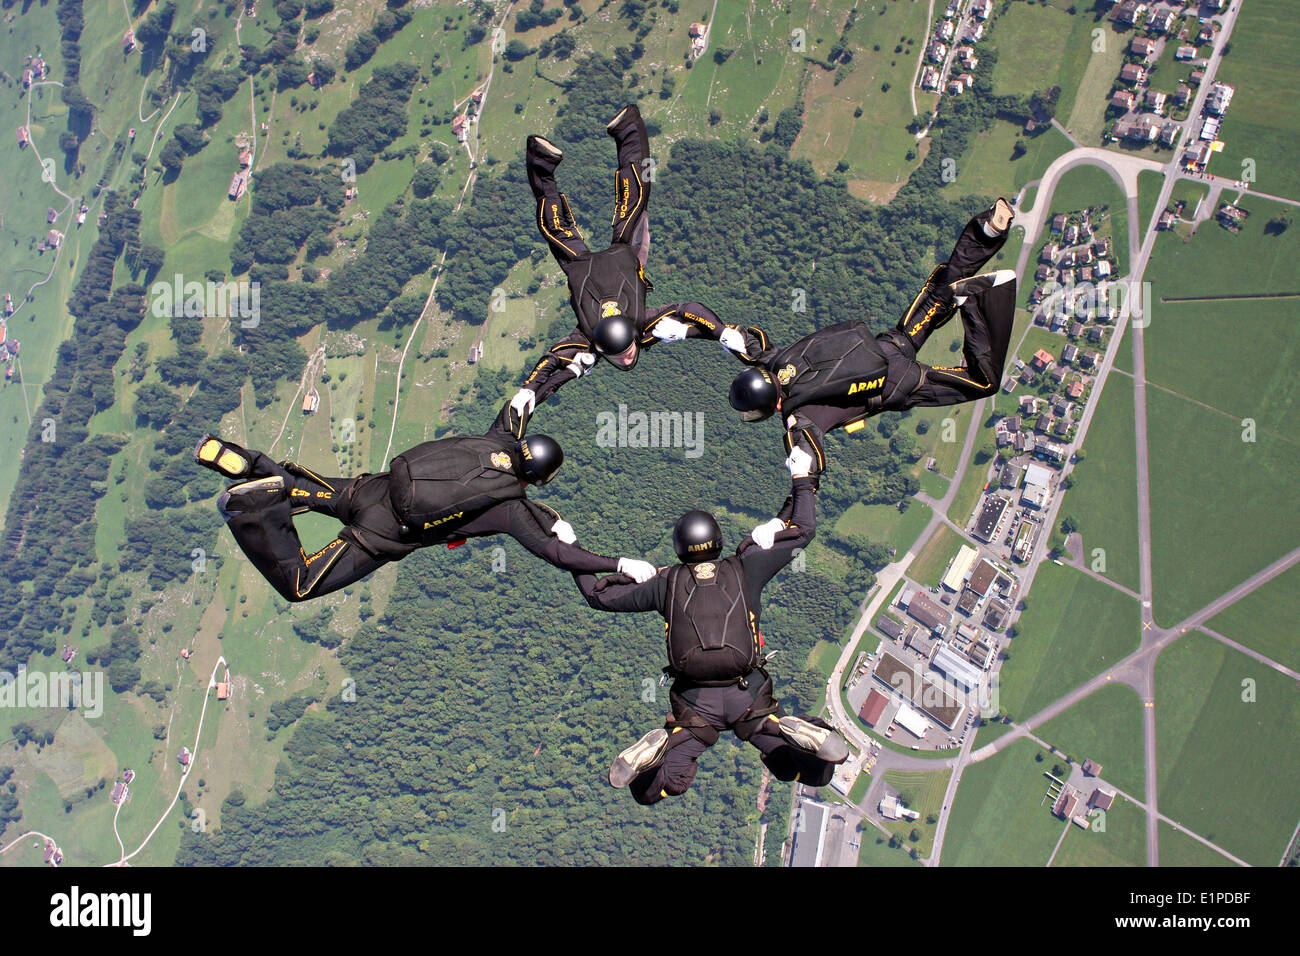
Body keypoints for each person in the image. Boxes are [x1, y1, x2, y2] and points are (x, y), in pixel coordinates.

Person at [571, 456, 848, 805]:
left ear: (679, 548)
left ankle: (663, 745)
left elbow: (598, 596)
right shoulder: (746, 567)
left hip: (695, 707)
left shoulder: (664, 583)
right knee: (814, 773)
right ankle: (792, 728)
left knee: (650, 792)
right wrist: (801, 480)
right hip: (749, 698)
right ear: (717, 541)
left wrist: (569, 548)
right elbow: (804, 530)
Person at [193, 400, 656, 602]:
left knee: (303, 488)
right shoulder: (509, 507)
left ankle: (249, 464)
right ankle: (253, 507)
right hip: (379, 535)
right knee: (302, 583)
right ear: (534, 480)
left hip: (369, 490)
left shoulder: (492, 439)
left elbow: (521, 402)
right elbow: (554, 552)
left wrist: (569, 364)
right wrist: (618, 562)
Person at [511, 103, 766, 429]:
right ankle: (628, 129)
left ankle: (542, 163)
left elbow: (551, 361)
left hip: (583, 263)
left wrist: (529, 389)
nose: (626, 358)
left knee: (553, 223)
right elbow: (690, 313)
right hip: (622, 255)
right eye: (622, 356)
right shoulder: (639, 329)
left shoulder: (592, 341)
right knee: (634, 198)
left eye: (623, 353)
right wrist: (722, 333)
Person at [727, 199, 1018, 476]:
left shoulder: (800, 416)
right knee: (936, 302)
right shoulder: (778, 362)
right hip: (889, 345)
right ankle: (987, 231)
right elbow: (745, 342)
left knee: (984, 382)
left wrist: (803, 479)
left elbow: (808, 447)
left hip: (898, 384)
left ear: (768, 405)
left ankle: (978, 300)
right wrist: (709, 330)